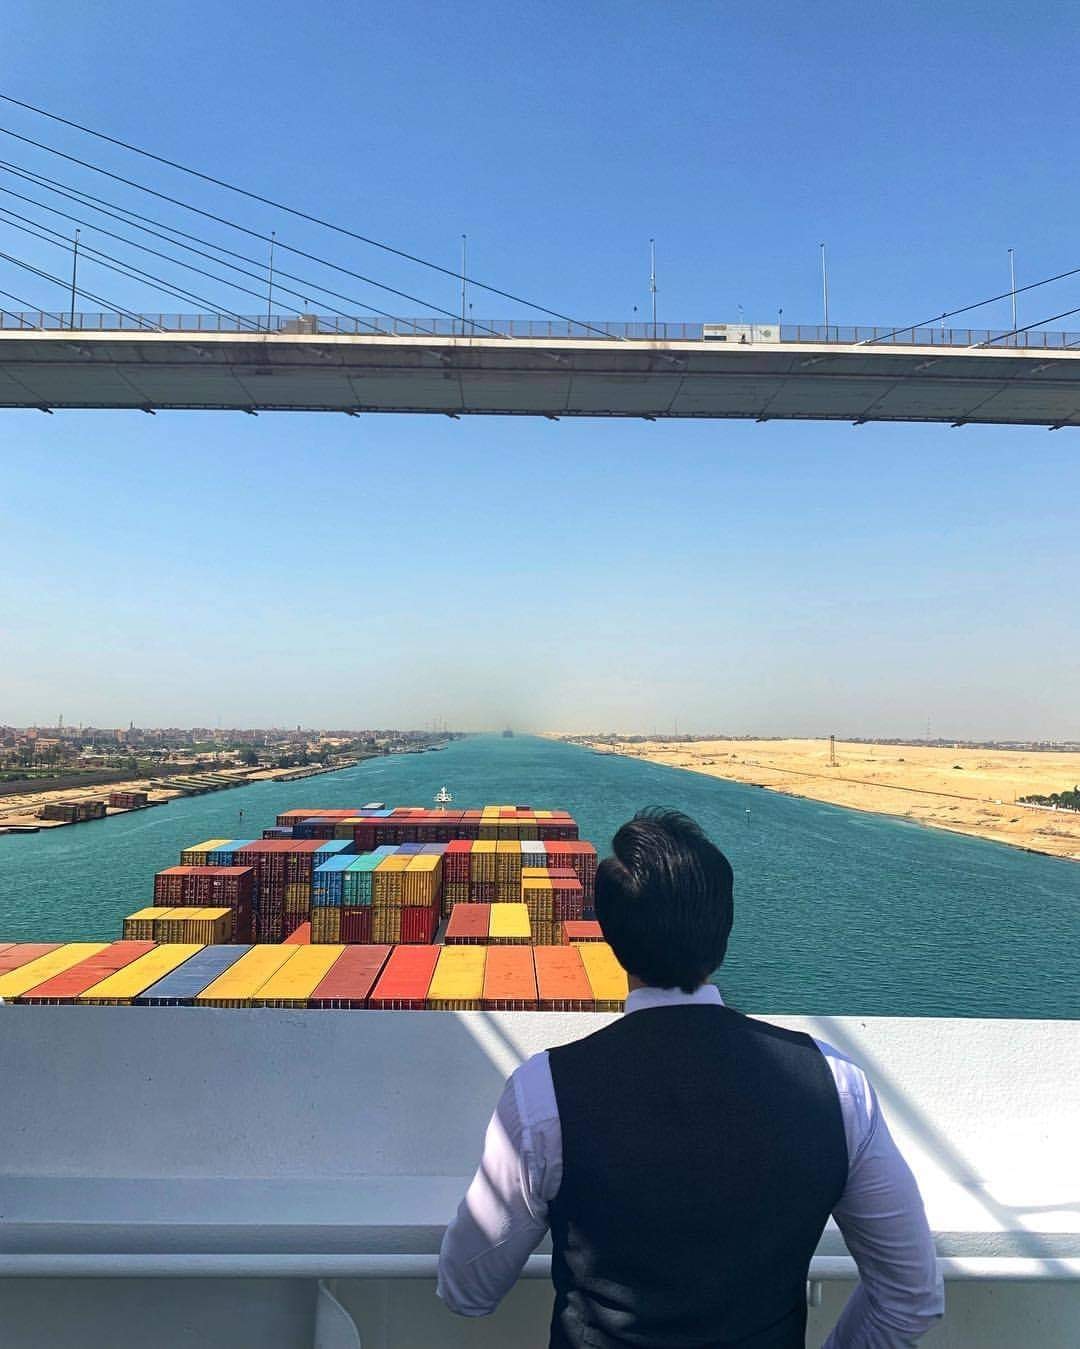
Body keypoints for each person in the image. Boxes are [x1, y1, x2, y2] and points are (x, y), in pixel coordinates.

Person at [438, 808, 944, 1347]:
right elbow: (910, 1298)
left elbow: (468, 1292)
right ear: (722, 931)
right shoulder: (837, 1087)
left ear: (611, 937)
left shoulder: (545, 1092)